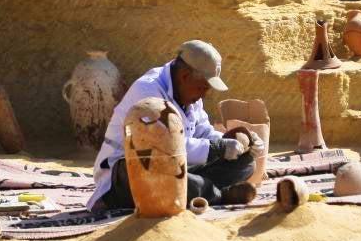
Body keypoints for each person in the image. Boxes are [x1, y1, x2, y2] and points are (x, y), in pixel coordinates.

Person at [87, 40, 263, 211]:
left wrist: (235, 145)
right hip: (126, 173)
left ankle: (198, 189)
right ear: (185, 76)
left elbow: (203, 131)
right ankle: (218, 195)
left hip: (174, 165)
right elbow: (164, 147)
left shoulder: (190, 94)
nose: (205, 94)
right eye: (203, 87)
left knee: (246, 164)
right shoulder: (147, 91)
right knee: (183, 181)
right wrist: (218, 147)